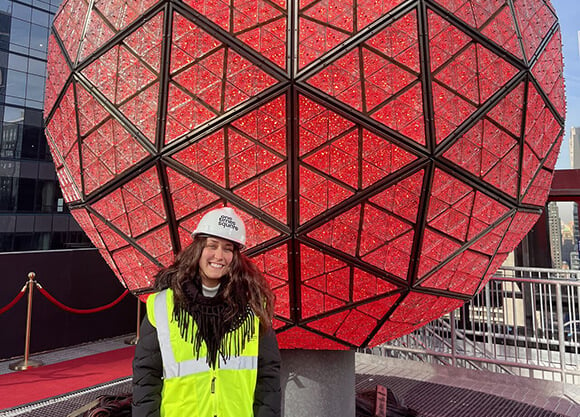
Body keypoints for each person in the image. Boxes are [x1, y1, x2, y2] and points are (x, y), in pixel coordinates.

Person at [132, 207, 281, 417]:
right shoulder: (162, 305)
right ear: (198, 249)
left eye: (228, 248)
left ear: (235, 256)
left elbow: (268, 379)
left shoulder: (252, 307)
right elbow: (146, 377)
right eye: (212, 245)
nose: (219, 256)